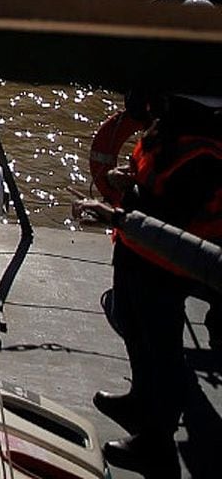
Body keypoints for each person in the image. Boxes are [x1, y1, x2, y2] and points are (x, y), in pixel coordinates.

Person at [75, 89, 222, 472]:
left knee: (163, 351)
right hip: (135, 253)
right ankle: (140, 398)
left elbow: (170, 217)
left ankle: (156, 442)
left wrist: (124, 197)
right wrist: (130, 180)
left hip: (164, 266)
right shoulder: (169, 136)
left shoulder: (203, 155)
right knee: (133, 326)